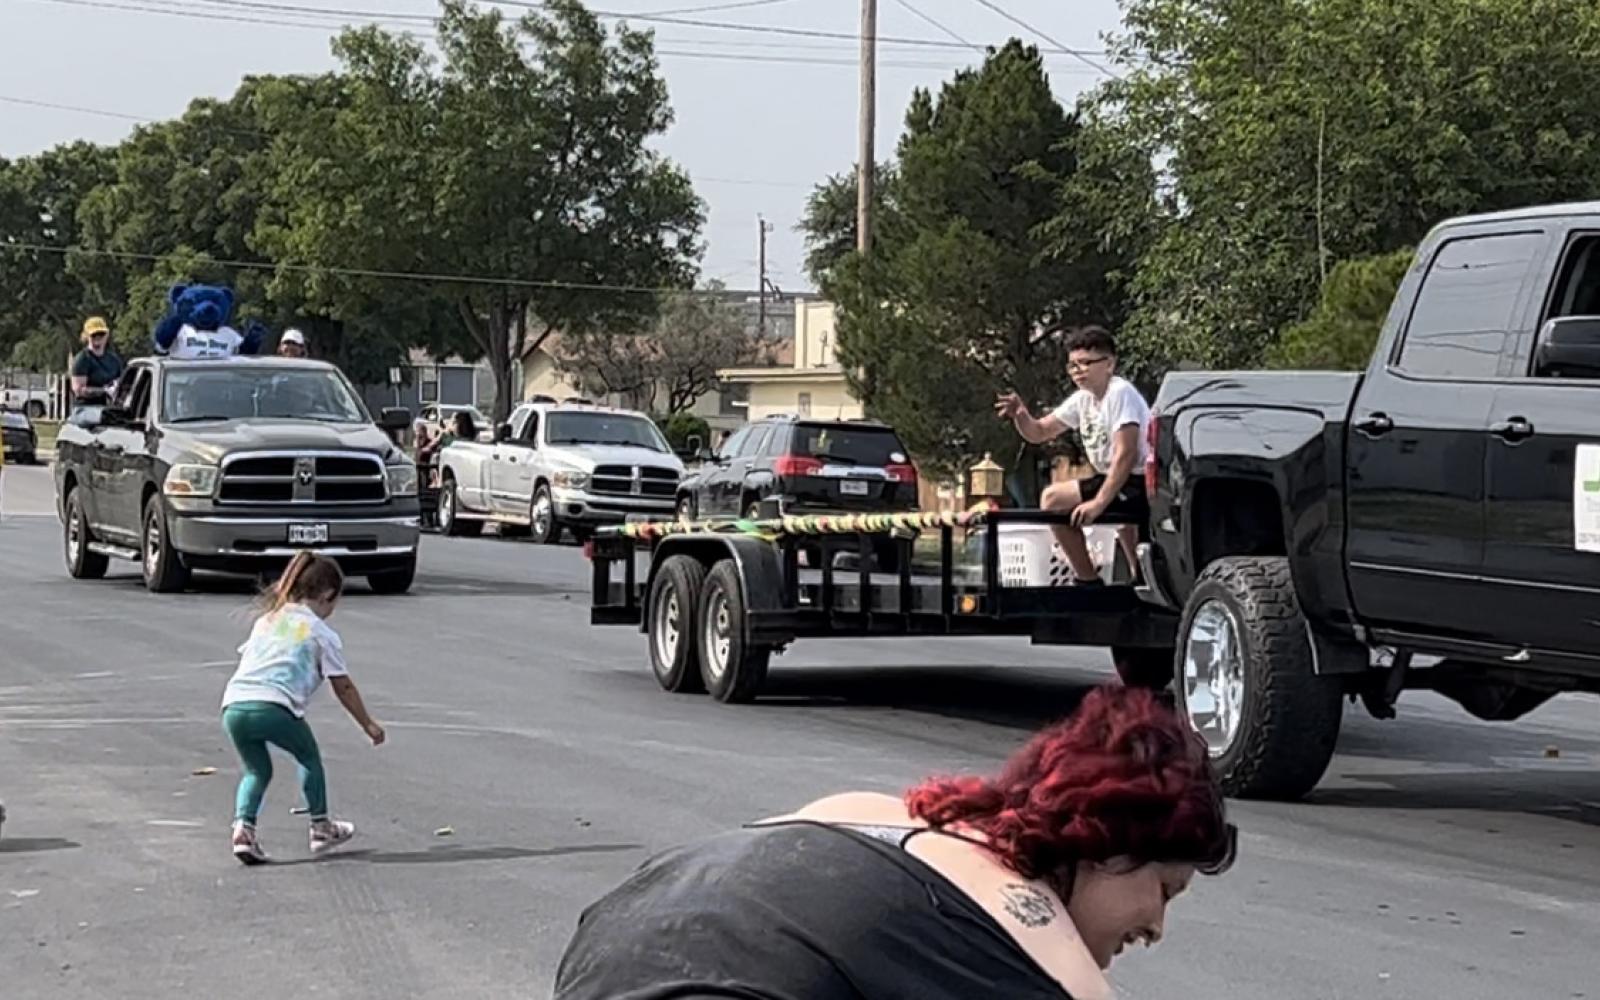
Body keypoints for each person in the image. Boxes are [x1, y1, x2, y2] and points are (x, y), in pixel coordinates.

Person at [552, 685, 1236, 1000]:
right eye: (1163, 890)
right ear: (1101, 844)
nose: (1157, 927)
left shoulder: (886, 815)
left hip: (608, 948)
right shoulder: (1051, 961)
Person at [219, 551, 386, 865]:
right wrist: (368, 724)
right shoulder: (321, 633)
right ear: (326, 596)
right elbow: (343, 686)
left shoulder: (269, 620)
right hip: (274, 706)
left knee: (256, 770)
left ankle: (243, 829)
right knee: (308, 757)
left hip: (234, 706)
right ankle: (321, 827)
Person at [996, 326, 1152, 585]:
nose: (1078, 371)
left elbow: (1126, 454)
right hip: (1113, 478)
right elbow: (1039, 431)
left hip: (1137, 481)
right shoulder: (1083, 399)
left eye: (1085, 363)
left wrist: (1098, 503)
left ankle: (1088, 580)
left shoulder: (1120, 393)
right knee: (1116, 523)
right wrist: (1020, 415)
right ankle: (1135, 579)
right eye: (1072, 366)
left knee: (1053, 498)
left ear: (1109, 364)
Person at [70, 316, 124, 407]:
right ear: (86, 336)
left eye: (101, 334)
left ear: (107, 335)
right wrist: (105, 391)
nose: (98, 337)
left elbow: (122, 383)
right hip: (86, 410)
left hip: (110, 409)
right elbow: (79, 391)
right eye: (94, 334)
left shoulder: (114, 360)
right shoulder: (82, 359)